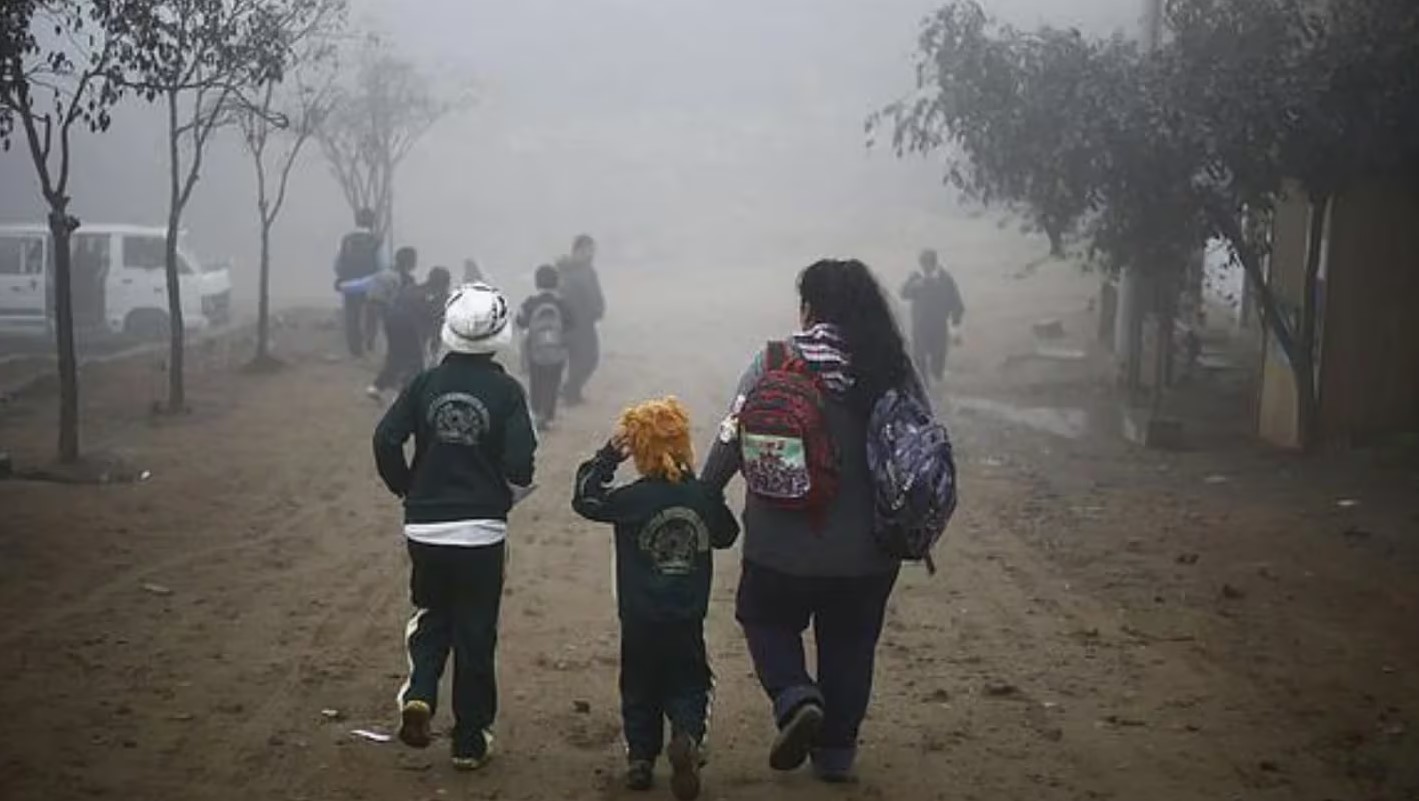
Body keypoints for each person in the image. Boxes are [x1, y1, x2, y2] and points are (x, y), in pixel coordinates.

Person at [701, 259, 912, 784]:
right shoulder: (888, 366)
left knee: (765, 618)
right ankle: (836, 754)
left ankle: (794, 697)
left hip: (778, 545)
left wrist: (704, 493)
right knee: (850, 641)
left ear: (810, 307)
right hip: (866, 551)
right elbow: (919, 446)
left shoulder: (774, 360)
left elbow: (732, 434)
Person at [373, 282, 536, 773]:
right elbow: (522, 461)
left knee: (430, 613)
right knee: (475, 630)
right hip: (483, 532)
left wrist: (407, 488)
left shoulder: (424, 384)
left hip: (426, 528)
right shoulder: (507, 391)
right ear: (499, 336)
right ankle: (470, 740)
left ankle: (420, 692)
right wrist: (505, 492)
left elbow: (386, 438)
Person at [572, 397, 740, 800]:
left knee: (639, 686)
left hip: (638, 617)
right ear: (684, 445)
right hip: (686, 618)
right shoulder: (700, 496)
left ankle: (640, 760)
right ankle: (686, 736)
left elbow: (585, 497)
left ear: (639, 451)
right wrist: (708, 495)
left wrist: (608, 455)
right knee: (691, 683)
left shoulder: (631, 499)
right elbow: (727, 535)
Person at [515, 265, 576, 432]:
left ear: (536, 283)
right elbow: (571, 324)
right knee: (553, 382)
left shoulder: (531, 303)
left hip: (535, 351)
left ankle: (535, 412)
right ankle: (548, 416)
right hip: (557, 351)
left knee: (537, 381)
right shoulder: (561, 303)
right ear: (556, 283)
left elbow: (520, 321)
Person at [364, 247, 422, 400]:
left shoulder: (381, 276)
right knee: (410, 356)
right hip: (402, 321)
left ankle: (382, 385)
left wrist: (371, 331)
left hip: (388, 320)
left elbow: (372, 302)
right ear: (410, 262)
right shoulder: (407, 280)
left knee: (395, 354)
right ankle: (390, 387)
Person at [900, 248, 964, 386]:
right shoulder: (916, 277)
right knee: (919, 358)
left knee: (938, 358)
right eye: (923, 264)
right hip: (920, 327)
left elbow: (956, 303)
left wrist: (956, 325)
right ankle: (924, 388)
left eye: (928, 264)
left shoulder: (945, 279)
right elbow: (903, 293)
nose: (925, 267)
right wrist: (914, 286)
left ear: (934, 263)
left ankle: (938, 380)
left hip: (939, 326)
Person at [556, 234, 606, 406]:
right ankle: (570, 393)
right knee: (582, 359)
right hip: (573, 323)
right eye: (588, 249)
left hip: (587, 322)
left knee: (591, 359)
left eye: (592, 250)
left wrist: (598, 309)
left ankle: (571, 391)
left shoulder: (589, 270)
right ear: (578, 250)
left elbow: (595, 292)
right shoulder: (566, 271)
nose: (591, 253)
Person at [333, 208, 385, 358]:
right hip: (370, 284)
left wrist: (342, 277)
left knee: (352, 316)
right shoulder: (377, 241)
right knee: (371, 314)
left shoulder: (346, 240)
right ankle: (369, 342)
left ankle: (355, 349)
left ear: (357, 220)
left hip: (349, 284)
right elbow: (383, 264)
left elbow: (337, 264)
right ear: (372, 222)